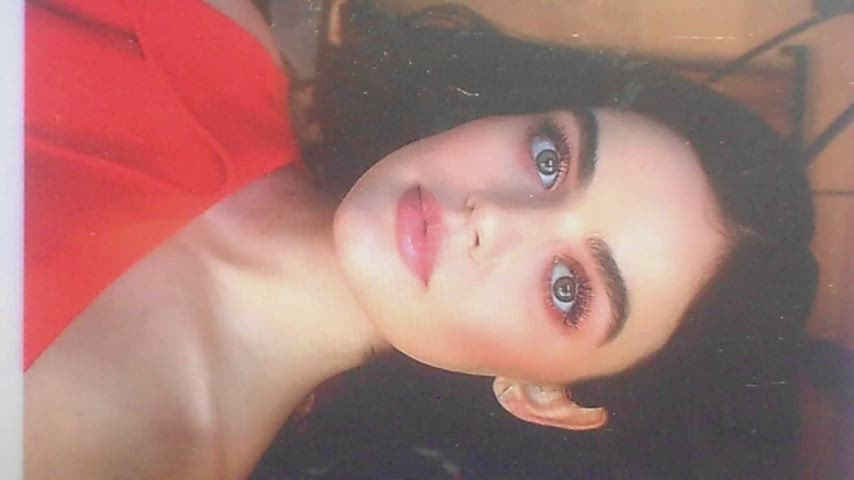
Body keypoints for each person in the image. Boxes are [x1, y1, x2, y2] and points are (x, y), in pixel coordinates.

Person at [24, 0, 817, 478]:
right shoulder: (216, 31)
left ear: (544, 396)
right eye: (551, 158)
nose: (494, 216)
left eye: (567, 288)